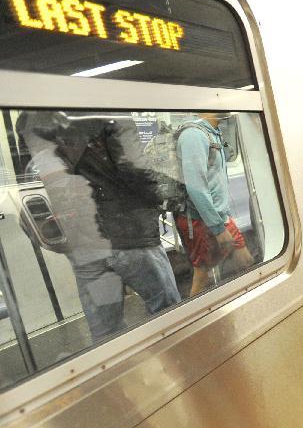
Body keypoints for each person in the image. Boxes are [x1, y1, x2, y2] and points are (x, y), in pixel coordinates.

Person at [21, 110, 181, 342]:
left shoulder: (33, 122)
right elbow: (134, 169)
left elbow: (45, 178)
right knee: (169, 314)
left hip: (84, 244)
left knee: (105, 332)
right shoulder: (113, 112)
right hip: (131, 235)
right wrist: (170, 196)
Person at [176, 113, 255, 296]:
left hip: (218, 218)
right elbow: (196, 188)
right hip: (200, 220)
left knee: (246, 262)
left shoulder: (213, 133)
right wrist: (218, 229)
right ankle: (194, 319)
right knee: (203, 277)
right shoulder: (193, 135)